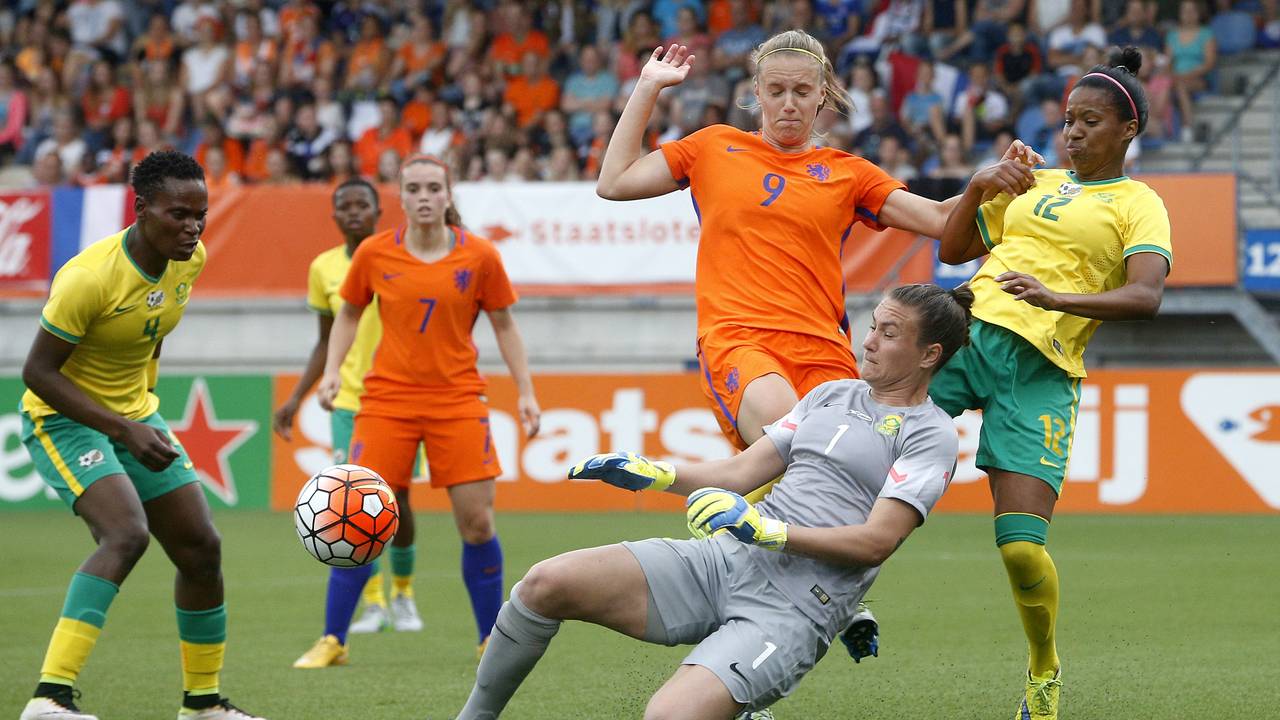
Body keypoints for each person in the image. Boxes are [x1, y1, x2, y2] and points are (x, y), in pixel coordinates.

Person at [595, 32, 1041, 669]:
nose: (787, 103)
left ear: (824, 95)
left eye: (801, 91)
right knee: (785, 438)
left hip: (831, 357)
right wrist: (647, 89)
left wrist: (985, 185)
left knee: (848, 478)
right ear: (754, 95)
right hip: (740, 338)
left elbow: (944, 223)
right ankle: (771, 616)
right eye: (774, 91)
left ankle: (796, 615)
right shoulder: (714, 146)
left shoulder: (848, 173)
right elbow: (613, 182)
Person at [455, 283, 973, 719]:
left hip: (794, 608)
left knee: (666, 717)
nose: (870, 342)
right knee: (546, 583)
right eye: (874, 326)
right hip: (724, 561)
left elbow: (877, 541)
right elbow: (740, 473)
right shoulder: (829, 395)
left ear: (930, 354)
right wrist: (653, 472)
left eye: (890, 333)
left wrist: (767, 531)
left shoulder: (931, 435)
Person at [935, 46, 1171, 720]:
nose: (1072, 132)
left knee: (1020, 548)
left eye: (1090, 122)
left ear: (1127, 132)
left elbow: (1146, 296)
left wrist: (1053, 298)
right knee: (862, 443)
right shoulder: (1031, 182)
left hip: (1043, 374)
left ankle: (1043, 668)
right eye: (1068, 120)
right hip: (970, 338)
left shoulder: (1139, 203)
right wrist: (981, 184)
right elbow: (954, 252)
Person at [18, 151, 263, 720]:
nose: (192, 227)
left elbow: (150, 334)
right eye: (179, 214)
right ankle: (49, 699)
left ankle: (202, 706)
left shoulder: (189, 259)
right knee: (126, 535)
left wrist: (140, 410)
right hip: (64, 419)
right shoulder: (88, 278)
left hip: (132, 417)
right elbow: (37, 373)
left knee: (202, 548)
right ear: (142, 208)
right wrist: (122, 428)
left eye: (199, 214)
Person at [296, 154, 542, 667]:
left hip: (458, 402)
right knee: (349, 519)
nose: (425, 197)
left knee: (477, 524)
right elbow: (348, 315)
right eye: (414, 189)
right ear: (401, 197)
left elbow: (505, 327)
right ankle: (332, 640)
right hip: (386, 402)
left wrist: (525, 392)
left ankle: (488, 642)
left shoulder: (479, 256)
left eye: (434, 187)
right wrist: (333, 371)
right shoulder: (374, 253)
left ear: (448, 194)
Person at [275, 179, 418, 665]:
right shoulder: (324, 268)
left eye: (362, 205)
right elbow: (324, 339)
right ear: (334, 215)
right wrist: (297, 396)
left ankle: (403, 592)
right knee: (351, 502)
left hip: (399, 397)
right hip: (350, 403)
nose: (353, 212)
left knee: (398, 500)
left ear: (380, 210)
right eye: (344, 207)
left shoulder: (402, 255)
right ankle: (373, 604)